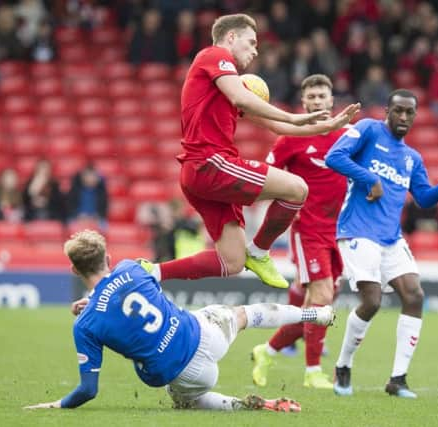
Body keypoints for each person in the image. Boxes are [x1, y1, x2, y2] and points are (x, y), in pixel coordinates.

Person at [143, 14, 359, 290]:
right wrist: (295, 118)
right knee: (297, 189)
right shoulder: (214, 55)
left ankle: (153, 271)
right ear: (231, 37)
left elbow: (275, 125)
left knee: (231, 262)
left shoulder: (222, 85)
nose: (256, 50)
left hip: (198, 174)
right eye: (252, 43)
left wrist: (327, 125)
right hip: (210, 163)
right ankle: (259, 252)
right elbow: (242, 97)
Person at [23, 230, 335, 412]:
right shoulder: (130, 268)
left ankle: (250, 405)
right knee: (245, 314)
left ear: (75, 270)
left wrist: (57, 406)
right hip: (203, 334)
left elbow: (88, 390)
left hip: (187, 376)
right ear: (107, 259)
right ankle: (316, 314)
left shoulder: (85, 325)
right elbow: (121, 292)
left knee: (185, 400)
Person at [324, 89, 438, 398]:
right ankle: (343, 367)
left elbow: (423, 199)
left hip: (390, 238)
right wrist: (370, 178)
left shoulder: (412, 158)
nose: (404, 117)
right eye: (398, 111)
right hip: (358, 230)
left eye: (410, 113)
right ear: (387, 111)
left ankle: (397, 379)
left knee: (415, 295)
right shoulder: (368, 129)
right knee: (372, 302)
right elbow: (334, 157)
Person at [250, 74, 347, 390]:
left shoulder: (346, 136)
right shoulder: (291, 137)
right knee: (321, 297)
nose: (318, 101)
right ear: (303, 102)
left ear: (332, 101)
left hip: (337, 231)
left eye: (322, 96)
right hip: (307, 229)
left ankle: (267, 350)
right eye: (312, 97)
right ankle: (313, 372)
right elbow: (267, 173)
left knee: (319, 304)